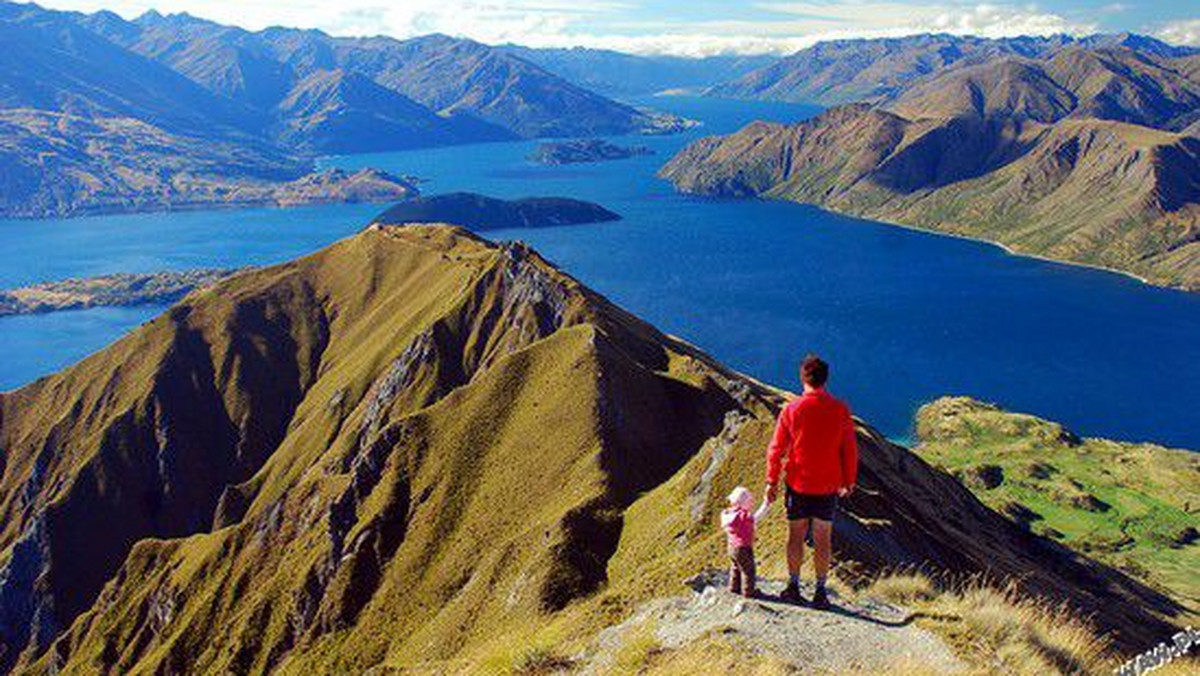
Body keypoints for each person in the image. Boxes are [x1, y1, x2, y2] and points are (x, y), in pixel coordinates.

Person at [765, 354, 858, 610]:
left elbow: (776, 449)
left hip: (798, 485)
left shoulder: (791, 409)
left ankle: (793, 586)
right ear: (825, 379)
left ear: (802, 378)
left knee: (795, 536)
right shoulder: (840, 409)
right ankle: (820, 591)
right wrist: (849, 480)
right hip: (828, 486)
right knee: (823, 539)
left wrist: (771, 481)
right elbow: (849, 449)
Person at [720, 486, 770, 597]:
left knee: (735, 568)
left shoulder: (726, 514)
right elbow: (757, 517)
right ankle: (748, 591)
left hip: (731, 547)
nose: (751, 504)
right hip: (743, 547)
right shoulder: (743, 516)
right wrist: (766, 504)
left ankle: (734, 588)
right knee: (748, 571)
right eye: (750, 502)